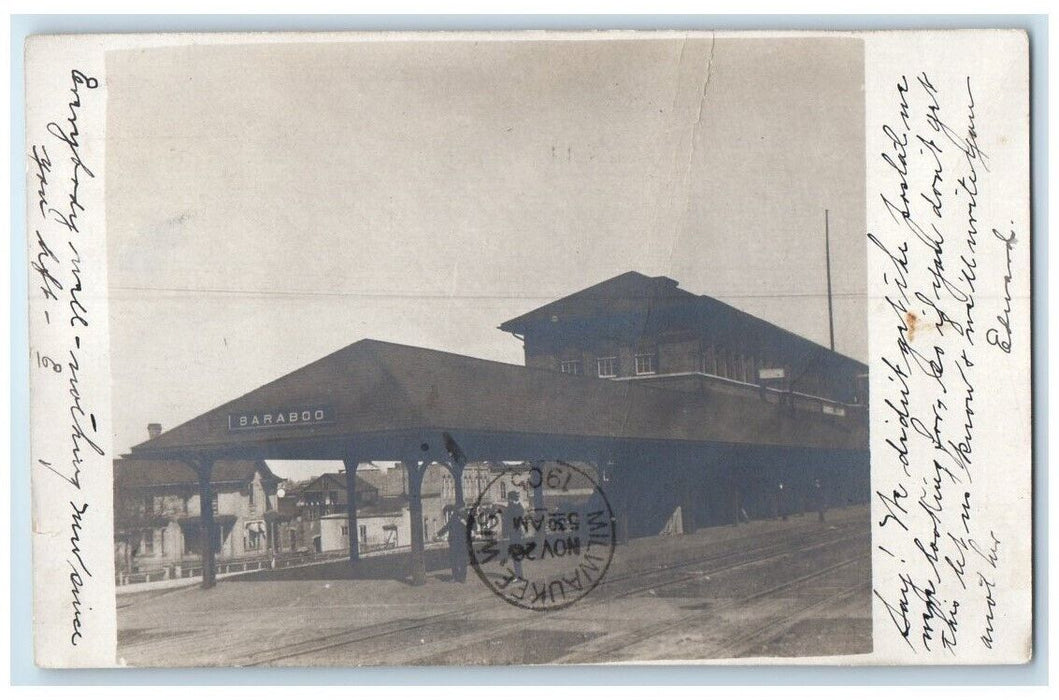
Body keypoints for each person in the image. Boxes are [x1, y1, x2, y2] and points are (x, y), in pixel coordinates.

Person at [438, 505, 469, 582]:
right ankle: (455, 577)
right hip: (453, 543)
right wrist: (438, 534)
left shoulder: (466, 519)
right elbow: (447, 527)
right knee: (453, 560)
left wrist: (465, 523)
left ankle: (462, 578)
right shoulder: (453, 519)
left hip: (462, 543)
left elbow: (473, 528)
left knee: (462, 561)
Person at [501, 490, 526, 580]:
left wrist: (505, 533)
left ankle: (519, 576)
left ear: (510, 499)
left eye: (509, 499)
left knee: (515, 555)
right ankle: (519, 575)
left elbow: (507, 521)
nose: (508, 501)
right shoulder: (520, 507)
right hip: (518, 533)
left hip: (513, 534)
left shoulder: (511, 508)